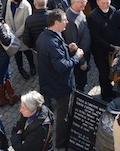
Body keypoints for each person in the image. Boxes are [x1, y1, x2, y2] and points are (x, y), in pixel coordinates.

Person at [36, 8, 84, 149]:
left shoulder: (45, 36)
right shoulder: (51, 41)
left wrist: (67, 49)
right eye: (64, 20)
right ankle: (61, 143)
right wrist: (77, 56)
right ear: (56, 22)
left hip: (48, 81)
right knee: (62, 116)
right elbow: (62, 66)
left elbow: (54, 57)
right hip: (60, 85)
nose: (67, 22)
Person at [87, 0, 120, 102]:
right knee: (104, 73)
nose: (106, 5)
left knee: (111, 71)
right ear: (97, 2)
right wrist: (111, 47)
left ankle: (110, 90)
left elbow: (116, 29)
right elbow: (96, 38)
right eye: (103, 3)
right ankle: (105, 94)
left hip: (112, 49)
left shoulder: (113, 11)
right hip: (100, 51)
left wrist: (116, 45)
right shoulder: (92, 17)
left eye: (108, 3)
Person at [4, 0, 35, 80]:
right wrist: (11, 31)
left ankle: (32, 66)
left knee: (27, 52)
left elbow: (26, 23)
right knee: (17, 54)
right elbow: (7, 17)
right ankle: (21, 69)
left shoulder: (26, 6)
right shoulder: (9, 2)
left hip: (22, 35)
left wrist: (16, 35)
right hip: (13, 33)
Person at [64, 0, 91, 91]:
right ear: (74, 2)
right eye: (82, 2)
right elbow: (72, 44)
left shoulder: (79, 11)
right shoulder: (71, 21)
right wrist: (82, 61)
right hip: (80, 57)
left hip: (85, 52)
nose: (85, 4)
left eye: (85, 1)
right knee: (80, 79)